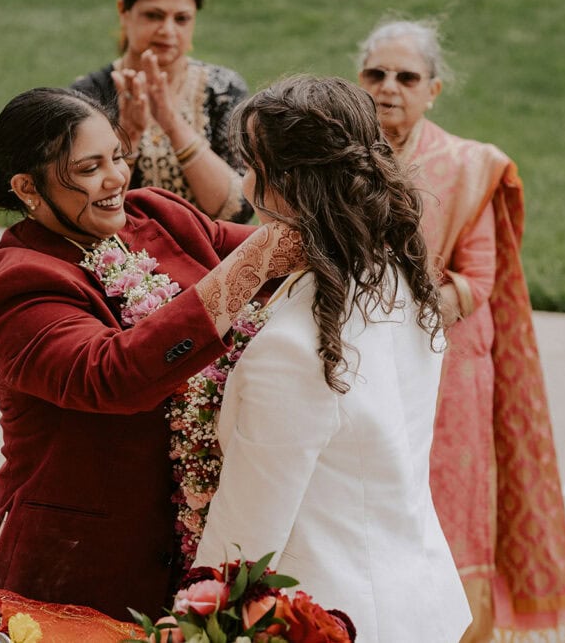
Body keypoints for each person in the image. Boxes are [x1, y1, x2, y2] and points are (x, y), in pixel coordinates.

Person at [0, 86, 299, 620]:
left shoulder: (157, 215)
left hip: (194, 545)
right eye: (88, 169)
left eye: (118, 158)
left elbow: (277, 255)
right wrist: (251, 266)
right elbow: (113, 375)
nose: (115, 179)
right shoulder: (19, 288)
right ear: (26, 187)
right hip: (76, 567)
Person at [192, 75, 471, 642]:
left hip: (328, 619)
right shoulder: (402, 283)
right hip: (419, 603)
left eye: (251, 165)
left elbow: (246, 538)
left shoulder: (292, 349)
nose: (243, 181)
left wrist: (194, 621)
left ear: (287, 186)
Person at [357, 19, 565, 642]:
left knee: (447, 508)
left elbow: (477, 277)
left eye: (407, 77)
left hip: (447, 364)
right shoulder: (341, 165)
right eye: (376, 74)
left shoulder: (467, 165)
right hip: (358, 364)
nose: (389, 88)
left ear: (433, 90)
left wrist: (399, 314)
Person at [71, 0, 251, 223]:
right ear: (124, 11)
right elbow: (82, 208)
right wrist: (128, 139)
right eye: (153, 15)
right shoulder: (88, 96)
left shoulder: (224, 89)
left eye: (181, 19)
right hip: (118, 258)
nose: (168, 31)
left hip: (214, 257)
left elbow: (237, 210)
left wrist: (172, 123)